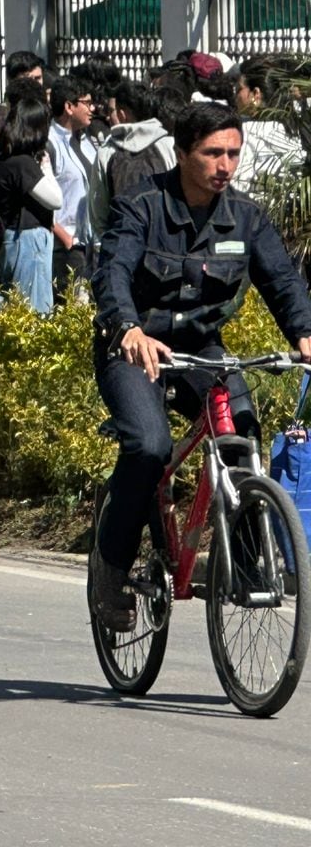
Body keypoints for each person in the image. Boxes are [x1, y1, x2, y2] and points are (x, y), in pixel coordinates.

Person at [90, 102, 311, 631]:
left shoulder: (246, 217)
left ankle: (251, 564)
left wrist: (305, 334)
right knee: (148, 447)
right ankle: (112, 570)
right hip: (133, 347)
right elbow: (113, 272)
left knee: (242, 432)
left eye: (234, 153)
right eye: (213, 153)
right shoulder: (140, 208)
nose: (226, 165)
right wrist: (127, 327)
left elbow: (283, 281)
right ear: (183, 151)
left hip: (198, 349)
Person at [0, 96, 61, 315]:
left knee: (17, 313)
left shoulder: (3, 159)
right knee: (36, 313)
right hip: (28, 241)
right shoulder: (23, 164)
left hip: (11, 240)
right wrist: (46, 167)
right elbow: (56, 200)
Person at [87, 81, 177, 244]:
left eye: (112, 111)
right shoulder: (169, 146)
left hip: (121, 249)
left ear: (122, 114)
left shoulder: (107, 152)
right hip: (164, 249)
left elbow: (98, 214)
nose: (108, 116)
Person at [47, 73, 97, 293]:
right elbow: (39, 199)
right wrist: (66, 238)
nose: (92, 108)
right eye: (86, 103)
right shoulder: (49, 144)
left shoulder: (88, 141)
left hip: (91, 245)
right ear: (69, 106)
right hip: (66, 248)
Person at [234, 56, 305, 196]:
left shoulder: (246, 134)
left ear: (255, 94)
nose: (235, 95)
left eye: (238, 90)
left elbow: (236, 186)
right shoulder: (297, 127)